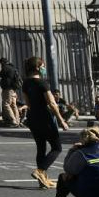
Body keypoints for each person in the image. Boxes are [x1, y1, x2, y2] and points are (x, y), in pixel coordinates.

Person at [22, 56, 69, 189]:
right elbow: (52, 104)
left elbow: (28, 103)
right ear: (37, 67)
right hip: (44, 118)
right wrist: (61, 120)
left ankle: (42, 180)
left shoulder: (26, 83)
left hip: (32, 118)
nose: (44, 68)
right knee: (57, 147)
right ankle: (40, 171)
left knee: (41, 148)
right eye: (42, 66)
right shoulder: (42, 83)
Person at [54, 126, 99, 197]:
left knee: (65, 177)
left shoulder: (81, 154)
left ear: (83, 140)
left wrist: (72, 150)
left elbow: (68, 169)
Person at [0, 57, 21, 126]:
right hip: (13, 89)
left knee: (6, 104)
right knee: (13, 105)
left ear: (2, 62)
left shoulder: (5, 68)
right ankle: (17, 120)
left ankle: (13, 120)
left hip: (8, 89)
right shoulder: (12, 67)